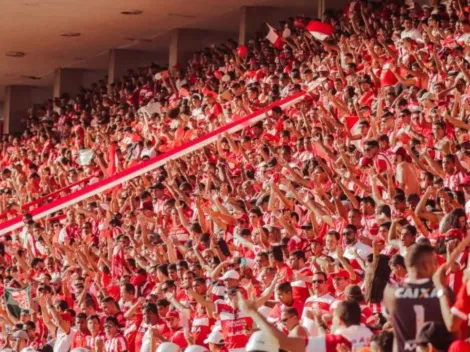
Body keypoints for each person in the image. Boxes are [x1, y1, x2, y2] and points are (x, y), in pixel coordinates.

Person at [383, 244, 445, 352]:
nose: (436, 266)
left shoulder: (390, 292)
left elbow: (392, 320)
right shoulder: (443, 292)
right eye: (435, 262)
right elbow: (453, 328)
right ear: (426, 265)